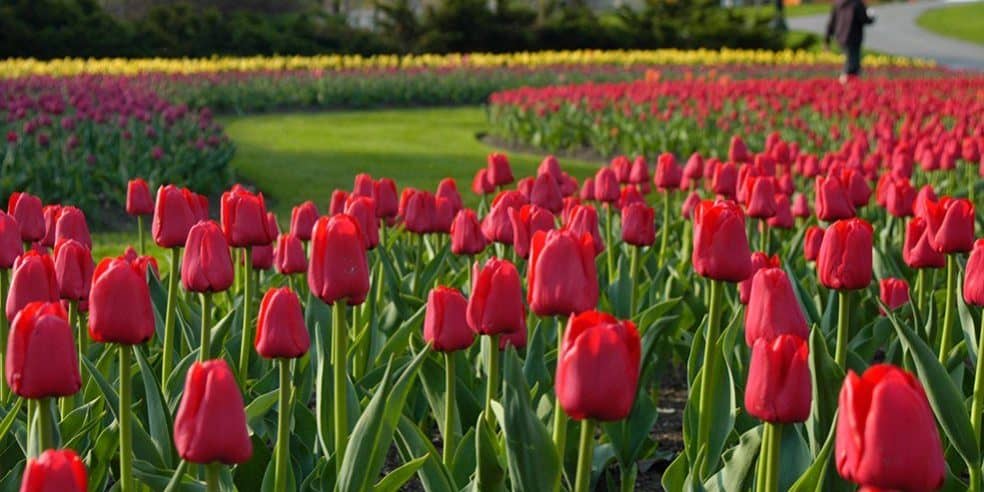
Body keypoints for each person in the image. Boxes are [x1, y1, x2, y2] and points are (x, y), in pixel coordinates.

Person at [825, 0, 875, 83]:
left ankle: (851, 85)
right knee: (852, 64)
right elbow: (864, 19)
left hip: (840, 37)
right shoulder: (857, 3)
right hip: (853, 38)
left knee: (850, 61)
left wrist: (827, 39)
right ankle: (846, 85)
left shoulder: (838, 2)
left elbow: (831, 22)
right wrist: (872, 18)